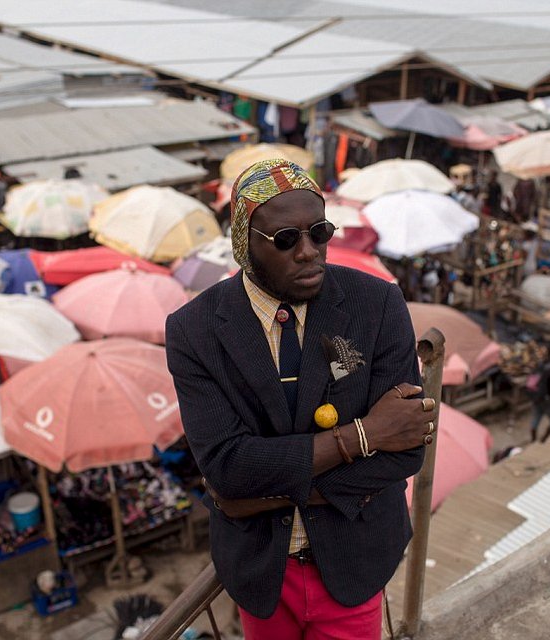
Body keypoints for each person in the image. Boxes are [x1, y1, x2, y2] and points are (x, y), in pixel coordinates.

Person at [165, 159, 433, 639]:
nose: (309, 252)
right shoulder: (194, 331)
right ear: (247, 246)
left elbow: (407, 446)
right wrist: (365, 434)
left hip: (356, 559)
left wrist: (255, 497)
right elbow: (227, 466)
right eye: (286, 239)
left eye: (320, 232)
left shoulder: (377, 303)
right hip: (262, 571)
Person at [527, 346, 550, 444]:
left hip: (536, 398)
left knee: (536, 418)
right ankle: (543, 439)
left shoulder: (539, 366)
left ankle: (533, 439)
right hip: (548, 400)